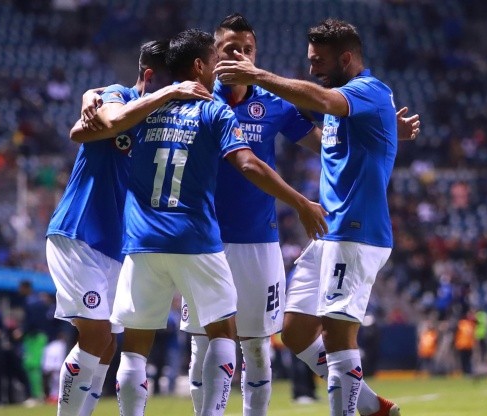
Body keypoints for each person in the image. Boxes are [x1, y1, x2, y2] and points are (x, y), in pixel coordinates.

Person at [185, 13, 420, 416]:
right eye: (231, 51)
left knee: (329, 333)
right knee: (293, 332)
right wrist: (385, 129)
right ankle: (368, 405)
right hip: (315, 233)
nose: (311, 68)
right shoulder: (199, 99)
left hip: (353, 232)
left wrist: (258, 76)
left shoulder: (365, 91)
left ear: (346, 59)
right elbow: (330, 137)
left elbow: (324, 103)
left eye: (318, 62)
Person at [109, 28, 327, 416]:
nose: (237, 58)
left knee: (141, 347)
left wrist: (94, 98)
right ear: (204, 62)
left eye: (248, 50)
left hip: (158, 241)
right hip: (201, 241)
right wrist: (299, 202)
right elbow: (246, 162)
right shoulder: (212, 106)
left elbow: (100, 126)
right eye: (224, 53)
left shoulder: (144, 106)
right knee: (215, 339)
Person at [47, 39, 210, 416]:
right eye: (169, 83)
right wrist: (98, 95)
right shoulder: (117, 95)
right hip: (79, 233)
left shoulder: (156, 121)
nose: (176, 93)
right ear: (151, 77)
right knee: (97, 336)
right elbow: (98, 125)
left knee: (106, 344)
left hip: (115, 245)